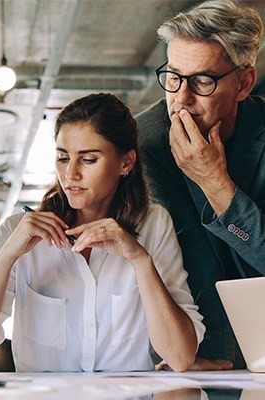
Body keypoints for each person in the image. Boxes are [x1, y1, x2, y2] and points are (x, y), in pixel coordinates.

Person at [0, 93, 205, 372]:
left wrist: (140, 260)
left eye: (88, 160)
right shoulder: (17, 231)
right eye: (63, 158)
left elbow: (180, 357)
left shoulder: (154, 224)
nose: (70, 174)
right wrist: (6, 257)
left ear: (126, 163)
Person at [135, 0, 264, 370]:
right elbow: (187, 256)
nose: (181, 99)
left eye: (202, 81)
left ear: (244, 83)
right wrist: (212, 352)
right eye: (174, 77)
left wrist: (217, 185)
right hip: (197, 351)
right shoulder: (145, 142)